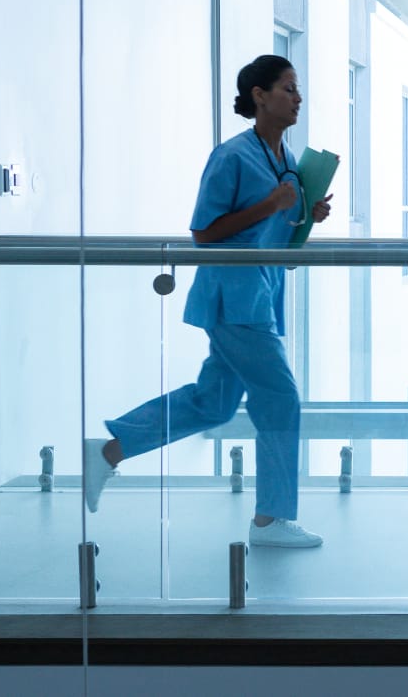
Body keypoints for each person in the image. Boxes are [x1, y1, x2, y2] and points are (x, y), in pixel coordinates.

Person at [82, 54, 332, 548]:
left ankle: (109, 450)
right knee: (281, 400)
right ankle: (270, 521)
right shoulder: (232, 156)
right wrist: (272, 205)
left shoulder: (285, 160)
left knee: (214, 403)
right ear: (259, 96)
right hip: (234, 298)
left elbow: (274, 230)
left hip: (259, 292)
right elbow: (203, 233)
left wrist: (307, 215)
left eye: (297, 89)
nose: (297, 97)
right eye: (287, 88)